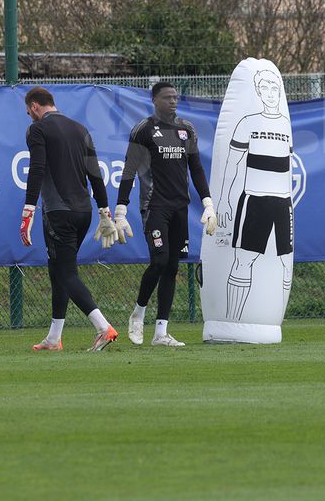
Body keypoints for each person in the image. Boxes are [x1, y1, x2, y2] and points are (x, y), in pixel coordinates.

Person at [19, 86, 121, 352]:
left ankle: (102, 327)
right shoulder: (80, 129)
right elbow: (95, 173)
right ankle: (54, 338)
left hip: (58, 212)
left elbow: (37, 168)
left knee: (66, 273)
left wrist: (28, 210)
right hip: (83, 212)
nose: (29, 115)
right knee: (58, 271)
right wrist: (104, 211)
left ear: (34, 107)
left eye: (28, 111)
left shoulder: (37, 129)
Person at [114, 82, 215, 347]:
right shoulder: (144, 130)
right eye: (167, 97)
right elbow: (129, 170)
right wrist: (121, 209)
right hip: (154, 206)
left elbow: (196, 168)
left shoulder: (186, 129)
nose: (173, 101)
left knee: (172, 267)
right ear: (154, 100)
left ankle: (161, 332)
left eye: (175, 97)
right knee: (158, 262)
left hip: (179, 208)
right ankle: (138, 313)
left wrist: (208, 203)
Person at [216, 69, 295, 320]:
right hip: (254, 200)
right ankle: (234, 320)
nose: (271, 94)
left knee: (284, 262)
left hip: (283, 203)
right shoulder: (247, 122)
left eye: (275, 88)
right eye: (266, 89)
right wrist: (227, 199)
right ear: (258, 92)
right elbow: (232, 162)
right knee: (244, 259)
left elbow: (289, 164)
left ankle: (274, 321)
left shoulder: (284, 123)